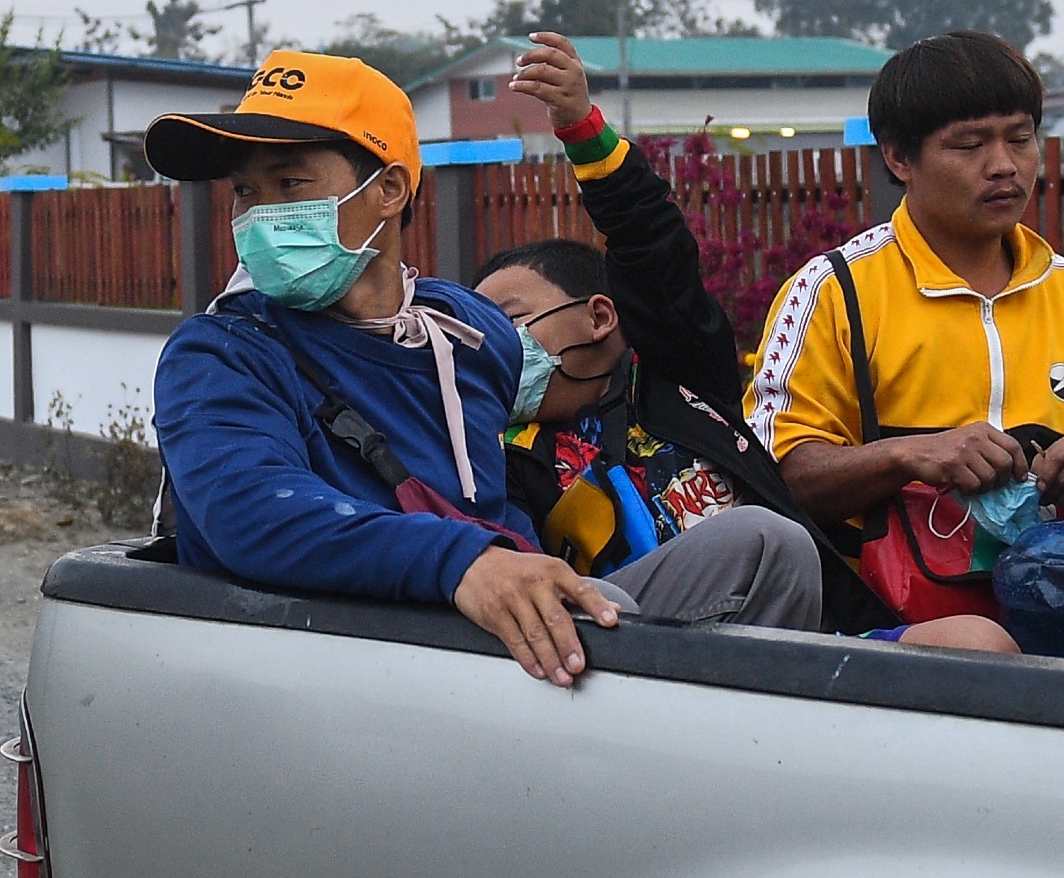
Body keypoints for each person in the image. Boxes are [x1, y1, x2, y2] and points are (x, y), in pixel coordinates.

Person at [145, 50, 825, 687]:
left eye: (290, 182)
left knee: (769, 545)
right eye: (244, 192)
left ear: (388, 190)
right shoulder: (221, 353)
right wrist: (465, 561)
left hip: (504, 620)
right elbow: (252, 515)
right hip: (368, 657)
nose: (261, 214)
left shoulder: (466, 332)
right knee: (596, 614)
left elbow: (644, 311)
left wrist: (591, 143)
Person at [470, 32, 996, 647]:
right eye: (480, 327)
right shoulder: (499, 455)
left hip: (816, 634)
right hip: (637, 653)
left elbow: (654, 251)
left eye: (510, 317)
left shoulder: (678, 381)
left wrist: (584, 130)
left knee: (978, 642)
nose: (498, 341)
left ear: (600, 317)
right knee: (760, 539)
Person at [749, 30, 1064, 580]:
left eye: (1020, 139)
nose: (1004, 165)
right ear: (900, 157)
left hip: (1060, 568)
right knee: (982, 643)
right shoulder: (836, 290)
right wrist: (909, 456)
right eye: (970, 145)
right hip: (898, 590)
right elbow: (776, 472)